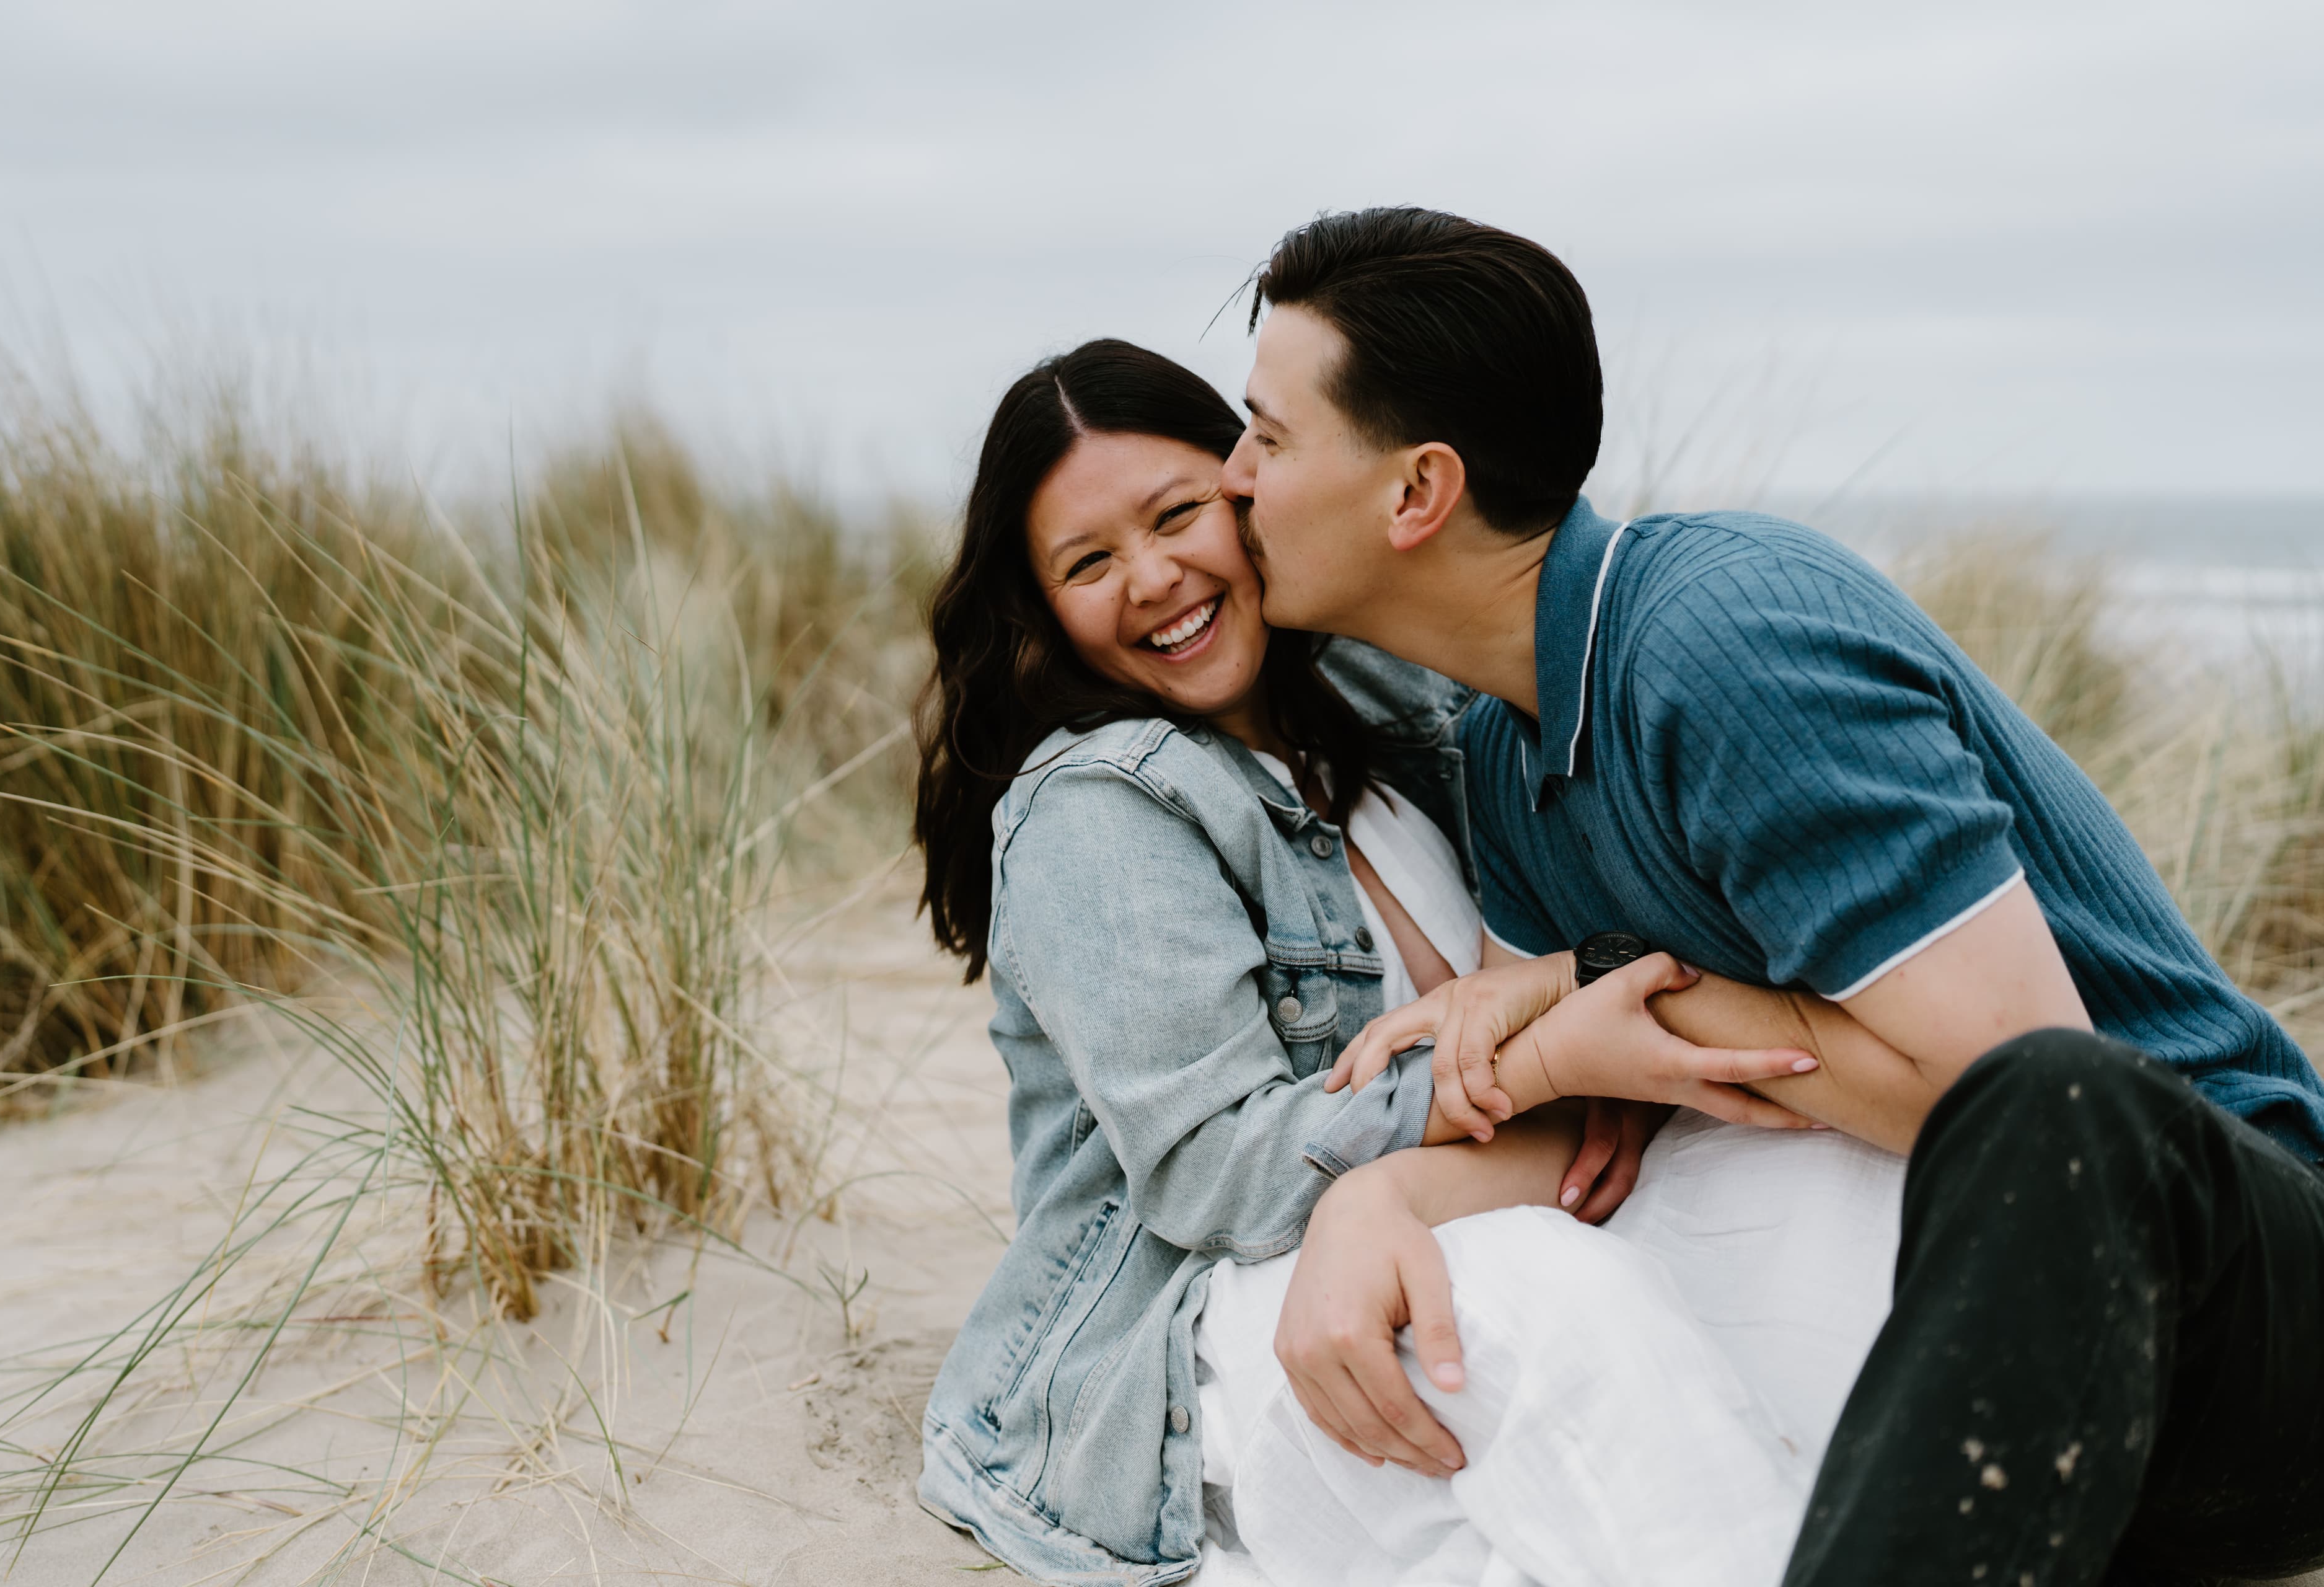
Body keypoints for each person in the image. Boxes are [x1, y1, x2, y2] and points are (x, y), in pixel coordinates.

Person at [1223, 206, 2324, 1585]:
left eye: (1267, 434)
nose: (1234, 479)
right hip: (1972, 1377)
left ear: (1414, 491)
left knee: (2051, 1102)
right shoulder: (1505, 746)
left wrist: (1592, 974)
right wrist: (1375, 1202)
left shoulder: (1721, 641)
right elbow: (1588, 1120)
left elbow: (2018, 1088)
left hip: (2233, 1314)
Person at [910, 337, 1929, 1587]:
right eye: (1087, 563)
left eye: (1177, 515)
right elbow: (1216, 1173)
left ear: (1249, 489)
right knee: (1547, 1301)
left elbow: (1567, 921)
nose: (1152, 576)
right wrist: (1547, 1064)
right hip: (1232, 1314)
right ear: (1044, 608)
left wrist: (1588, 1028)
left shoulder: (1389, 698)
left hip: (1502, 1190)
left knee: (1843, 1182)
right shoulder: (1102, 807)